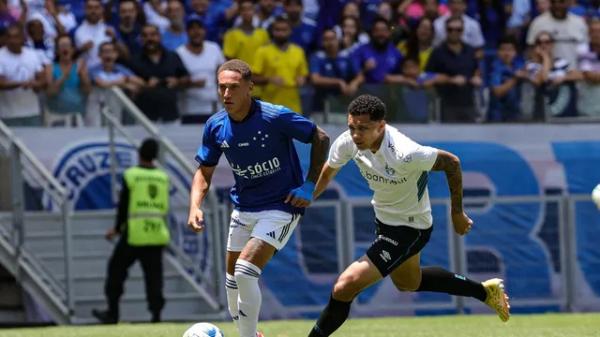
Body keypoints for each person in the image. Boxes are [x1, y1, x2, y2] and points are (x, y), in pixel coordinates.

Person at [306, 94, 511, 337]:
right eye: (352, 127)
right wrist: (303, 201)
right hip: (385, 221)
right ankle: (485, 292)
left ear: (381, 126)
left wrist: (457, 212)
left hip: (411, 228)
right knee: (408, 283)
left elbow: (452, 163)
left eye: (364, 128)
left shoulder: (405, 152)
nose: (356, 135)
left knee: (344, 286)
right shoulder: (348, 142)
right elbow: (328, 173)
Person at [187, 59, 330, 337]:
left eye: (233, 87)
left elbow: (320, 137)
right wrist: (195, 206)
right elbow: (204, 173)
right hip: (244, 208)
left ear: (250, 87)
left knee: (244, 271)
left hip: (281, 206)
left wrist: (309, 185)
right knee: (231, 283)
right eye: (222, 88)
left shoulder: (275, 116)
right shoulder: (216, 126)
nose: (226, 94)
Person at [92, 138, 171, 324]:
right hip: (156, 233)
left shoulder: (131, 175)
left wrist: (117, 229)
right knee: (154, 279)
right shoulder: (162, 177)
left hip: (134, 234)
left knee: (116, 272)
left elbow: (124, 206)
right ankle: (156, 316)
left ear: (139, 153)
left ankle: (112, 313)